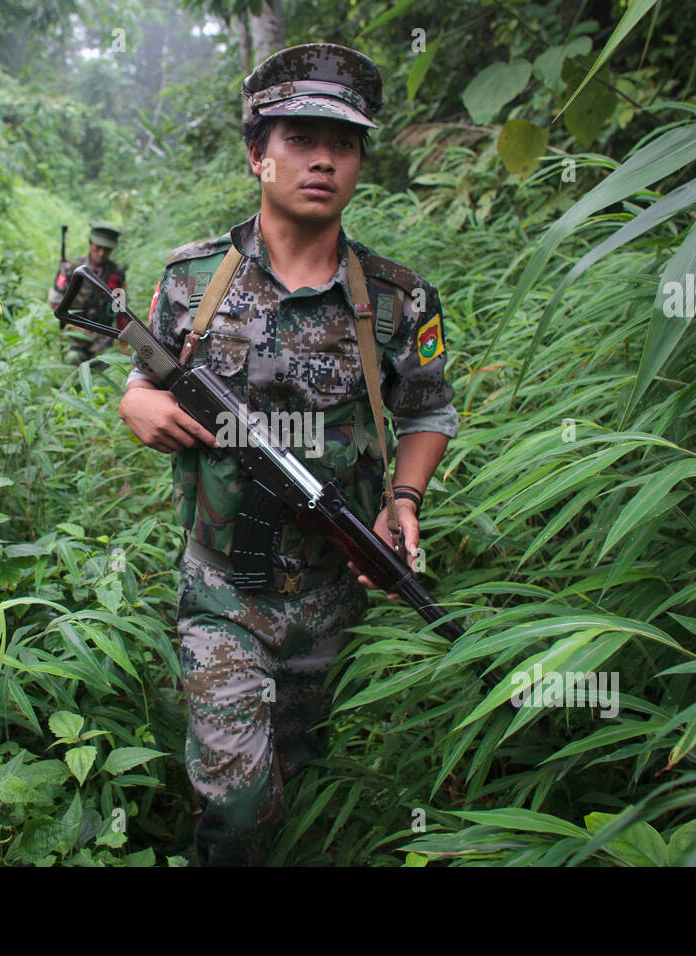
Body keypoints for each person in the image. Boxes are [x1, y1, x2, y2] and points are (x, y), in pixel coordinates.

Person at [117, 43, 458, 866]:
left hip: (337, 591)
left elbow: (430, 410)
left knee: (299, 781)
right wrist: (137, 404)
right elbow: (141, 371)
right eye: (300, 138)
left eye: (342, 144)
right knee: (236, 808)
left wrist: (401, 503)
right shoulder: (194, 279)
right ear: (256, 154)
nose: (322, 160)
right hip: (222, 589)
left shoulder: (398, 297)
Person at [49, 222, 128, 363]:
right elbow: (55, 301)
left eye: (107, 249)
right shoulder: (73, 268)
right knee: (71, 377)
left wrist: (124, 343)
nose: (101, 253)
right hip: (74, 337)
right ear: (90, 243)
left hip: (102, 340)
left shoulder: (117, 273)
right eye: (98, 248)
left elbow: (120, 309)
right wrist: (74, 325)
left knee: (100, 381)